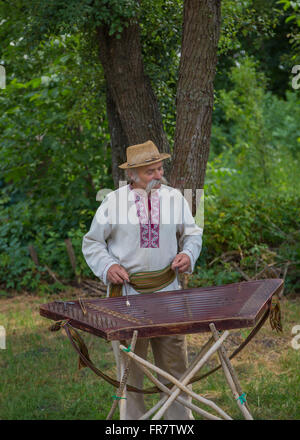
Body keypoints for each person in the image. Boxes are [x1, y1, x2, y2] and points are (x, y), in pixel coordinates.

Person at [82, 140, 203, 420]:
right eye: (151, 172)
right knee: (130, 370)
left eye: (160, 169)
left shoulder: (175, 198)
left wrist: (188, 253)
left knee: (175, 365)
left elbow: (193, 234)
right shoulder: (113, 202)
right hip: (127, 297)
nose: (159, 176)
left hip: (168, 292)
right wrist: (108, 265)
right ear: (133, 174)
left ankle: (179, 422)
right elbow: (92, 243)